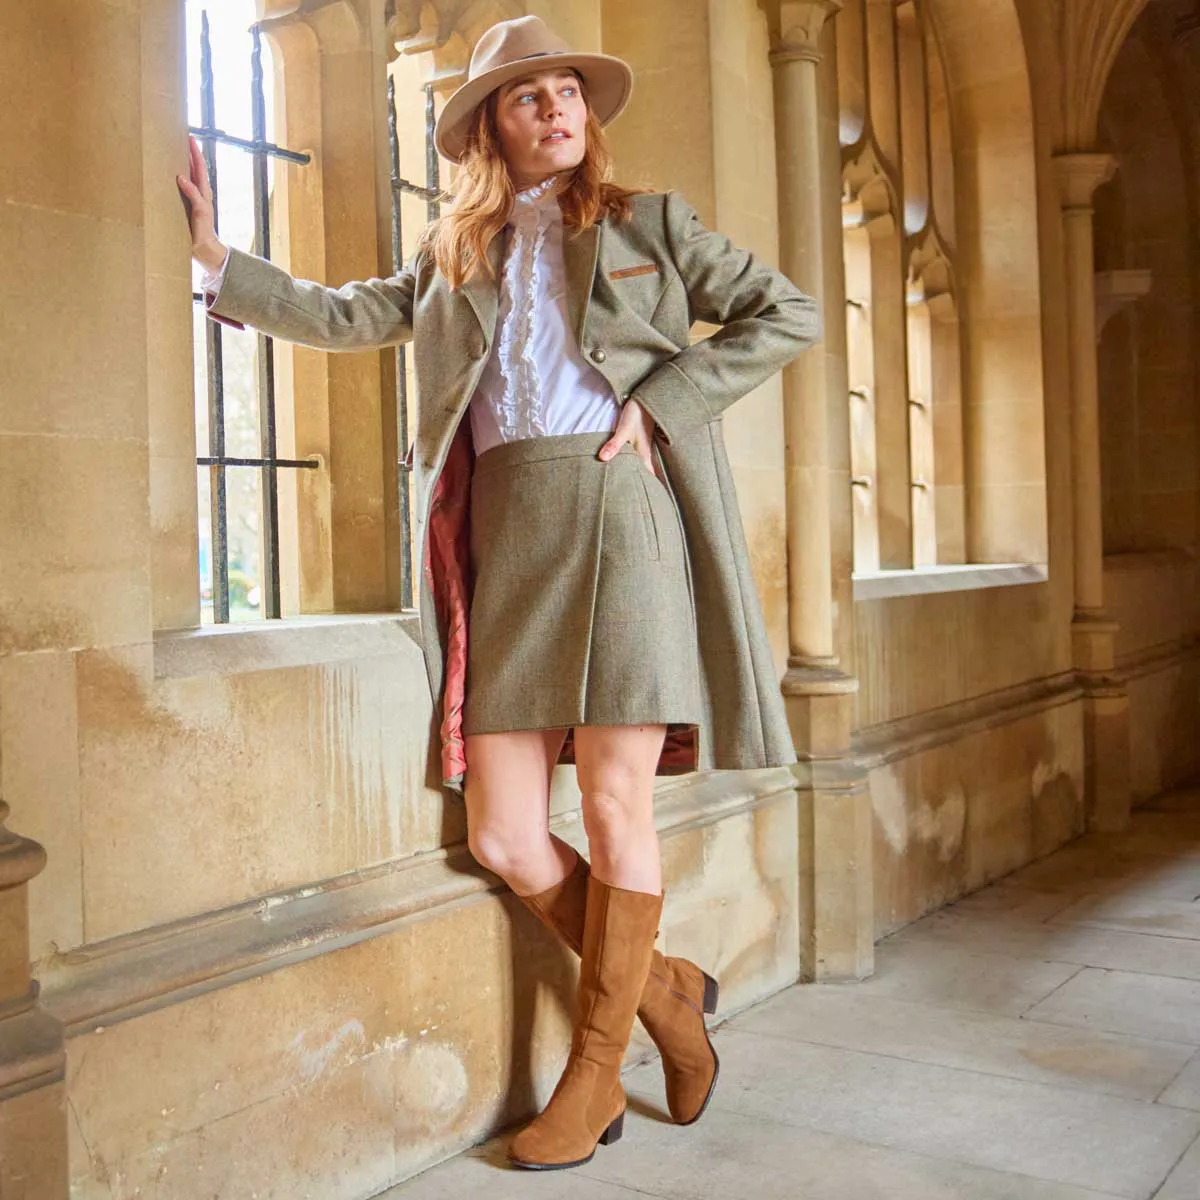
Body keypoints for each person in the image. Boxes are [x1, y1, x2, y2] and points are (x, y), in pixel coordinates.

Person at [177, 14, 819, 1172]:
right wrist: (217, 261)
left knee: (619, 803)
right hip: (506, 540)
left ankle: (591, 1076)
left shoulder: (648, 223)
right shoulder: (453, 257)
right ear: (487, 126)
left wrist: (661, 405)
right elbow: (343, 315)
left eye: (570, 89)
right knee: (507, 834)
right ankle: (671, 1002)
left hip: (624, 519)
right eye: (530, 96)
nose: (558, 109)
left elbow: (789, 312)